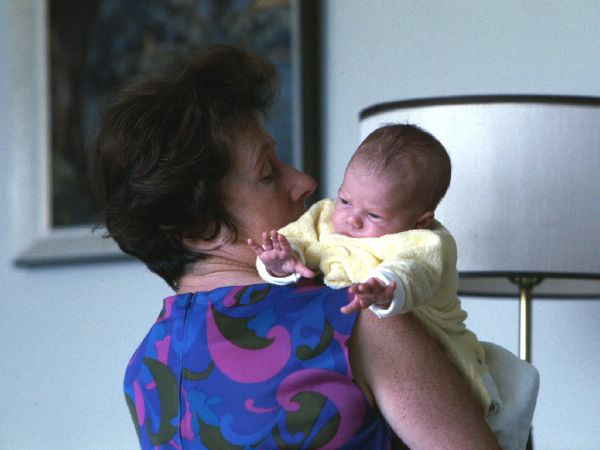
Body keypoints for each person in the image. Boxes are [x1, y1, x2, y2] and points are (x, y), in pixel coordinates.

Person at [91, 44, 500, 449]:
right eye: (269, 172)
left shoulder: (145, 368)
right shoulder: (354, 320)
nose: (304, 181)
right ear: (200, 227)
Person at [249, 123, 498, 416]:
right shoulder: (323, 217)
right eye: (345, 200)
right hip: (365, 360)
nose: (352, 219)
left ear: (420, 220)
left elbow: (413, 271)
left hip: (435, 347)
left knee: (484, 409)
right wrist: (281, 262)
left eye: (374, 214)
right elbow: (294, 239)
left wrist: (384, 288)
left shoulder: (426, 241)